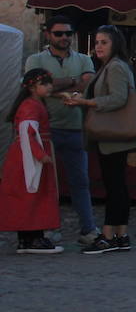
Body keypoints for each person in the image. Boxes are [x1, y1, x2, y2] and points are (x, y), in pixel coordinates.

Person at [24, 15, 98, 246]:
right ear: (48, 34)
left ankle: (88, 229)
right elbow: (36, 88)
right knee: (47, 183)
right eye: (59, 33)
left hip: (76, 129)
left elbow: (87, 83)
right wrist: (72, 83)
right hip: (47, 131)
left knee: (81, 182)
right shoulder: (35, 59)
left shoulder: (85, 59)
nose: (64, 37)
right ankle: (47, 229)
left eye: (68, 33)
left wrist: (54, 85)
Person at [63, 25, 136, 255]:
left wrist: (85, 103)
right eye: (96, 42)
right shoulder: (109, 67)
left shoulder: (115, 67)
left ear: (115, 43)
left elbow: (117, 98)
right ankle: (121, 234)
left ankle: (107, 236)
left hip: (113, 133)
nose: (98, 46)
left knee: (114, 185)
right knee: (117, 184)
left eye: (104, 42)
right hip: (112, 134)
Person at [2, 68, 62, 254]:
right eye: (44, 84)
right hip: (28, 157)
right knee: (34, 193)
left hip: (24, 156)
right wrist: (40, 154)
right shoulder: (31, 106)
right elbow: (28, 133)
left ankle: (27, 238)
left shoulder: (33, 104)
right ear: (33, 88)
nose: (49, 87)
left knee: (28, 193)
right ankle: (34, 237)